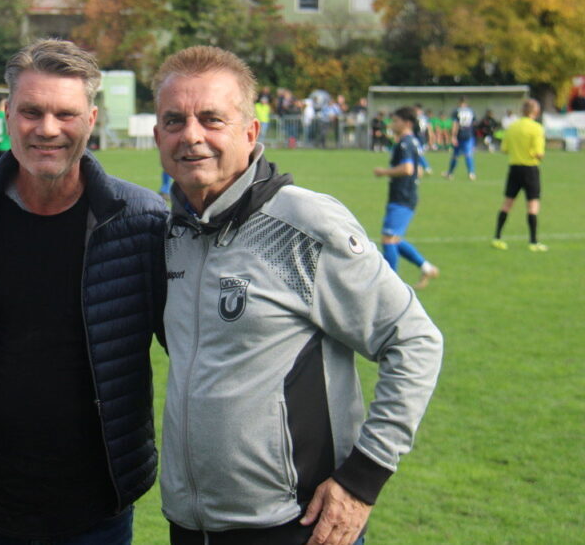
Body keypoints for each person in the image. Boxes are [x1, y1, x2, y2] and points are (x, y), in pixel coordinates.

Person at [153, 46, 443, 545]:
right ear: (157, 136)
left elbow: (414, 341)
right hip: (188, 525)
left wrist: (361, 482)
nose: (191, 135)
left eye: (211, 119)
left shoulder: (304, 226)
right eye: (174, 120)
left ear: (250, 132)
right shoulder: (169, 235)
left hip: (296, 526)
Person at [0, 38, 168, 544]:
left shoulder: (143, 222)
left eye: (66, 113)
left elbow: (198, 349)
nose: (48, 129)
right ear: (8, 113)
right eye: (31, 112)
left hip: (96, 512)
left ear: (92, 118)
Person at [375, 107, 441, 289]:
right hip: (405, 195)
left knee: (388, 239)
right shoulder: (413, 142)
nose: (392, 124)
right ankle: (426, 268)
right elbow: (418, 170)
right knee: (394, 238)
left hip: (402, 197)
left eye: (395, 121)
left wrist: (383, 172)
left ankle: (391, 286)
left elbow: (408, 169)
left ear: (407, 123)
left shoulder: (405, 143)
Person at [493, 98, 548, 252]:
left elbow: (504, 149)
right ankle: (533, 241)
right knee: (532, 204)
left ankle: (497, 237)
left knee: (507, 203)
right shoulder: (537, 128)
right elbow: (539, 153)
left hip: (514, 168)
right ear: (535, 112)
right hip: (530, 169)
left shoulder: (512, 127)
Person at [444, 96, 477, 180]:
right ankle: (471, 173)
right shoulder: (471, 111)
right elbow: (473, 124)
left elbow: (455, 124)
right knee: (468, 154)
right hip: (468, 135)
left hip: (460, 135)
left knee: (455, 155)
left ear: (459, 102)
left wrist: (453, 136)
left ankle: (450, 173)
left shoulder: (457, 111)